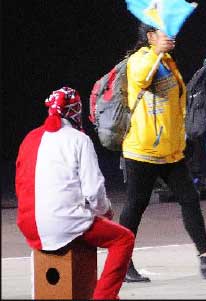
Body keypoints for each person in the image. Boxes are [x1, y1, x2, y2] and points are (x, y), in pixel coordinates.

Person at [16, 87, 135, 299]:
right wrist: (105, 211)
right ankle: (104, 296)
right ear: (74, 112)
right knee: (123, 239)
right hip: (63, 224)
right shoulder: (79, 139)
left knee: (77, 228)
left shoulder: (29, 138)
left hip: (30, 226)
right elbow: (94, 191)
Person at [119, 22, 206, 281]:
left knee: (190, 199)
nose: (171, 36)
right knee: (135, 207)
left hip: (171, 151)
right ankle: (123, 265)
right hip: (142, 151)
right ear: (150, 37)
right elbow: (142, 79)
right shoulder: (138, 60)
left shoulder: (168, 60)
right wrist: (157, 53)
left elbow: (178, 98)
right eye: (164, 33)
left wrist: (182, 133)